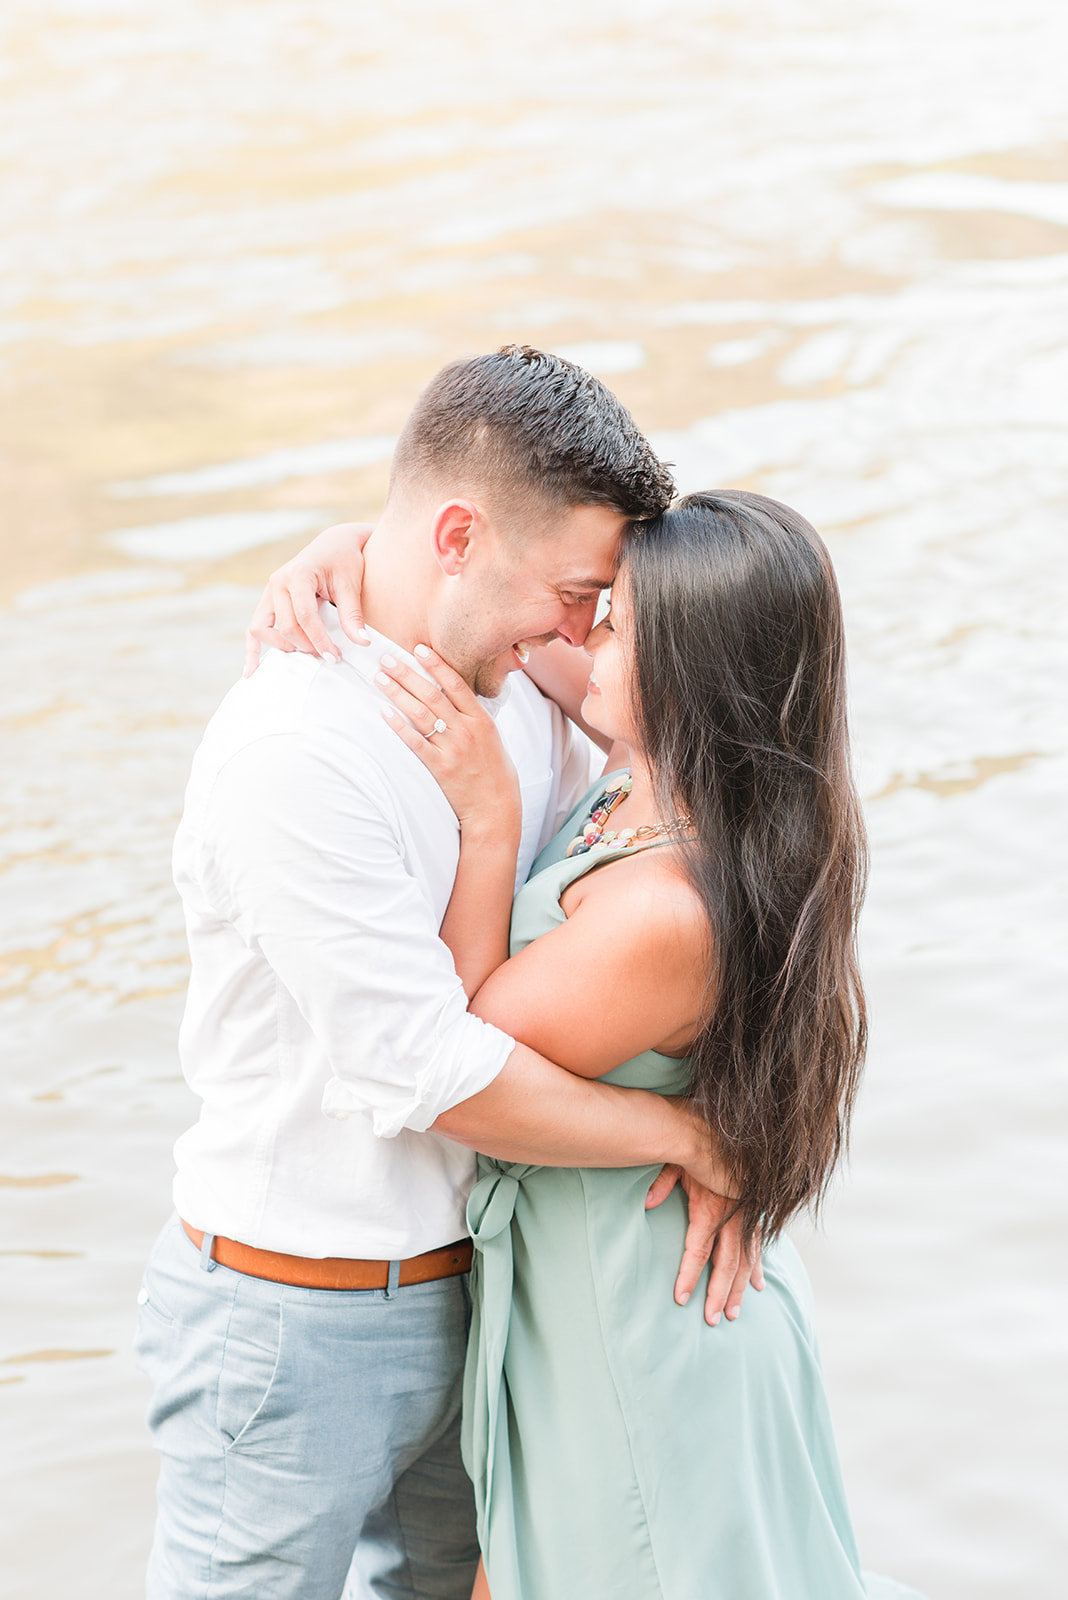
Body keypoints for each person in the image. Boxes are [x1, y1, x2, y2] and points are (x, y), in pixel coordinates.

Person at [135, 347, 757, 1600]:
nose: (584, 631)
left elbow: (684, 758)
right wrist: (684, 1134)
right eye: (577, 590)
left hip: (482, 1293)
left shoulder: (516, 676)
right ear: (461, 533)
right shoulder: (294, 746)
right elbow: (430, 1067)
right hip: (291, 1316)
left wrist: (350, 547)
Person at [287, 487, 873, 1598]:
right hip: (587, 1292)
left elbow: (464, 1049)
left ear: (689, 668)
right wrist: (351, 554)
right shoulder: (655, 768)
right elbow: (478, 584)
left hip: (635, 1322)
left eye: (613, 620)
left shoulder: (667, 910)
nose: (580, 634)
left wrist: (489, 816)